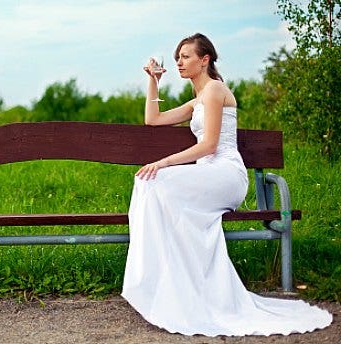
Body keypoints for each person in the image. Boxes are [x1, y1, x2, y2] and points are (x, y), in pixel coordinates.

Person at [121, 33, 332, 336]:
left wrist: (164, 162)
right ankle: (175, 284)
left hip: (225, 174)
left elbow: (209, 146)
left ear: (204, 60)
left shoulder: (216, 90)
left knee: (155, 179)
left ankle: (178, 284)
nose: (180, 62)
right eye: (177, 57)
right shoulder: (197, 101)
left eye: (186, 56)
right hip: (206, 177)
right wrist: (153, 80)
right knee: (147, 184)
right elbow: (152, 120)